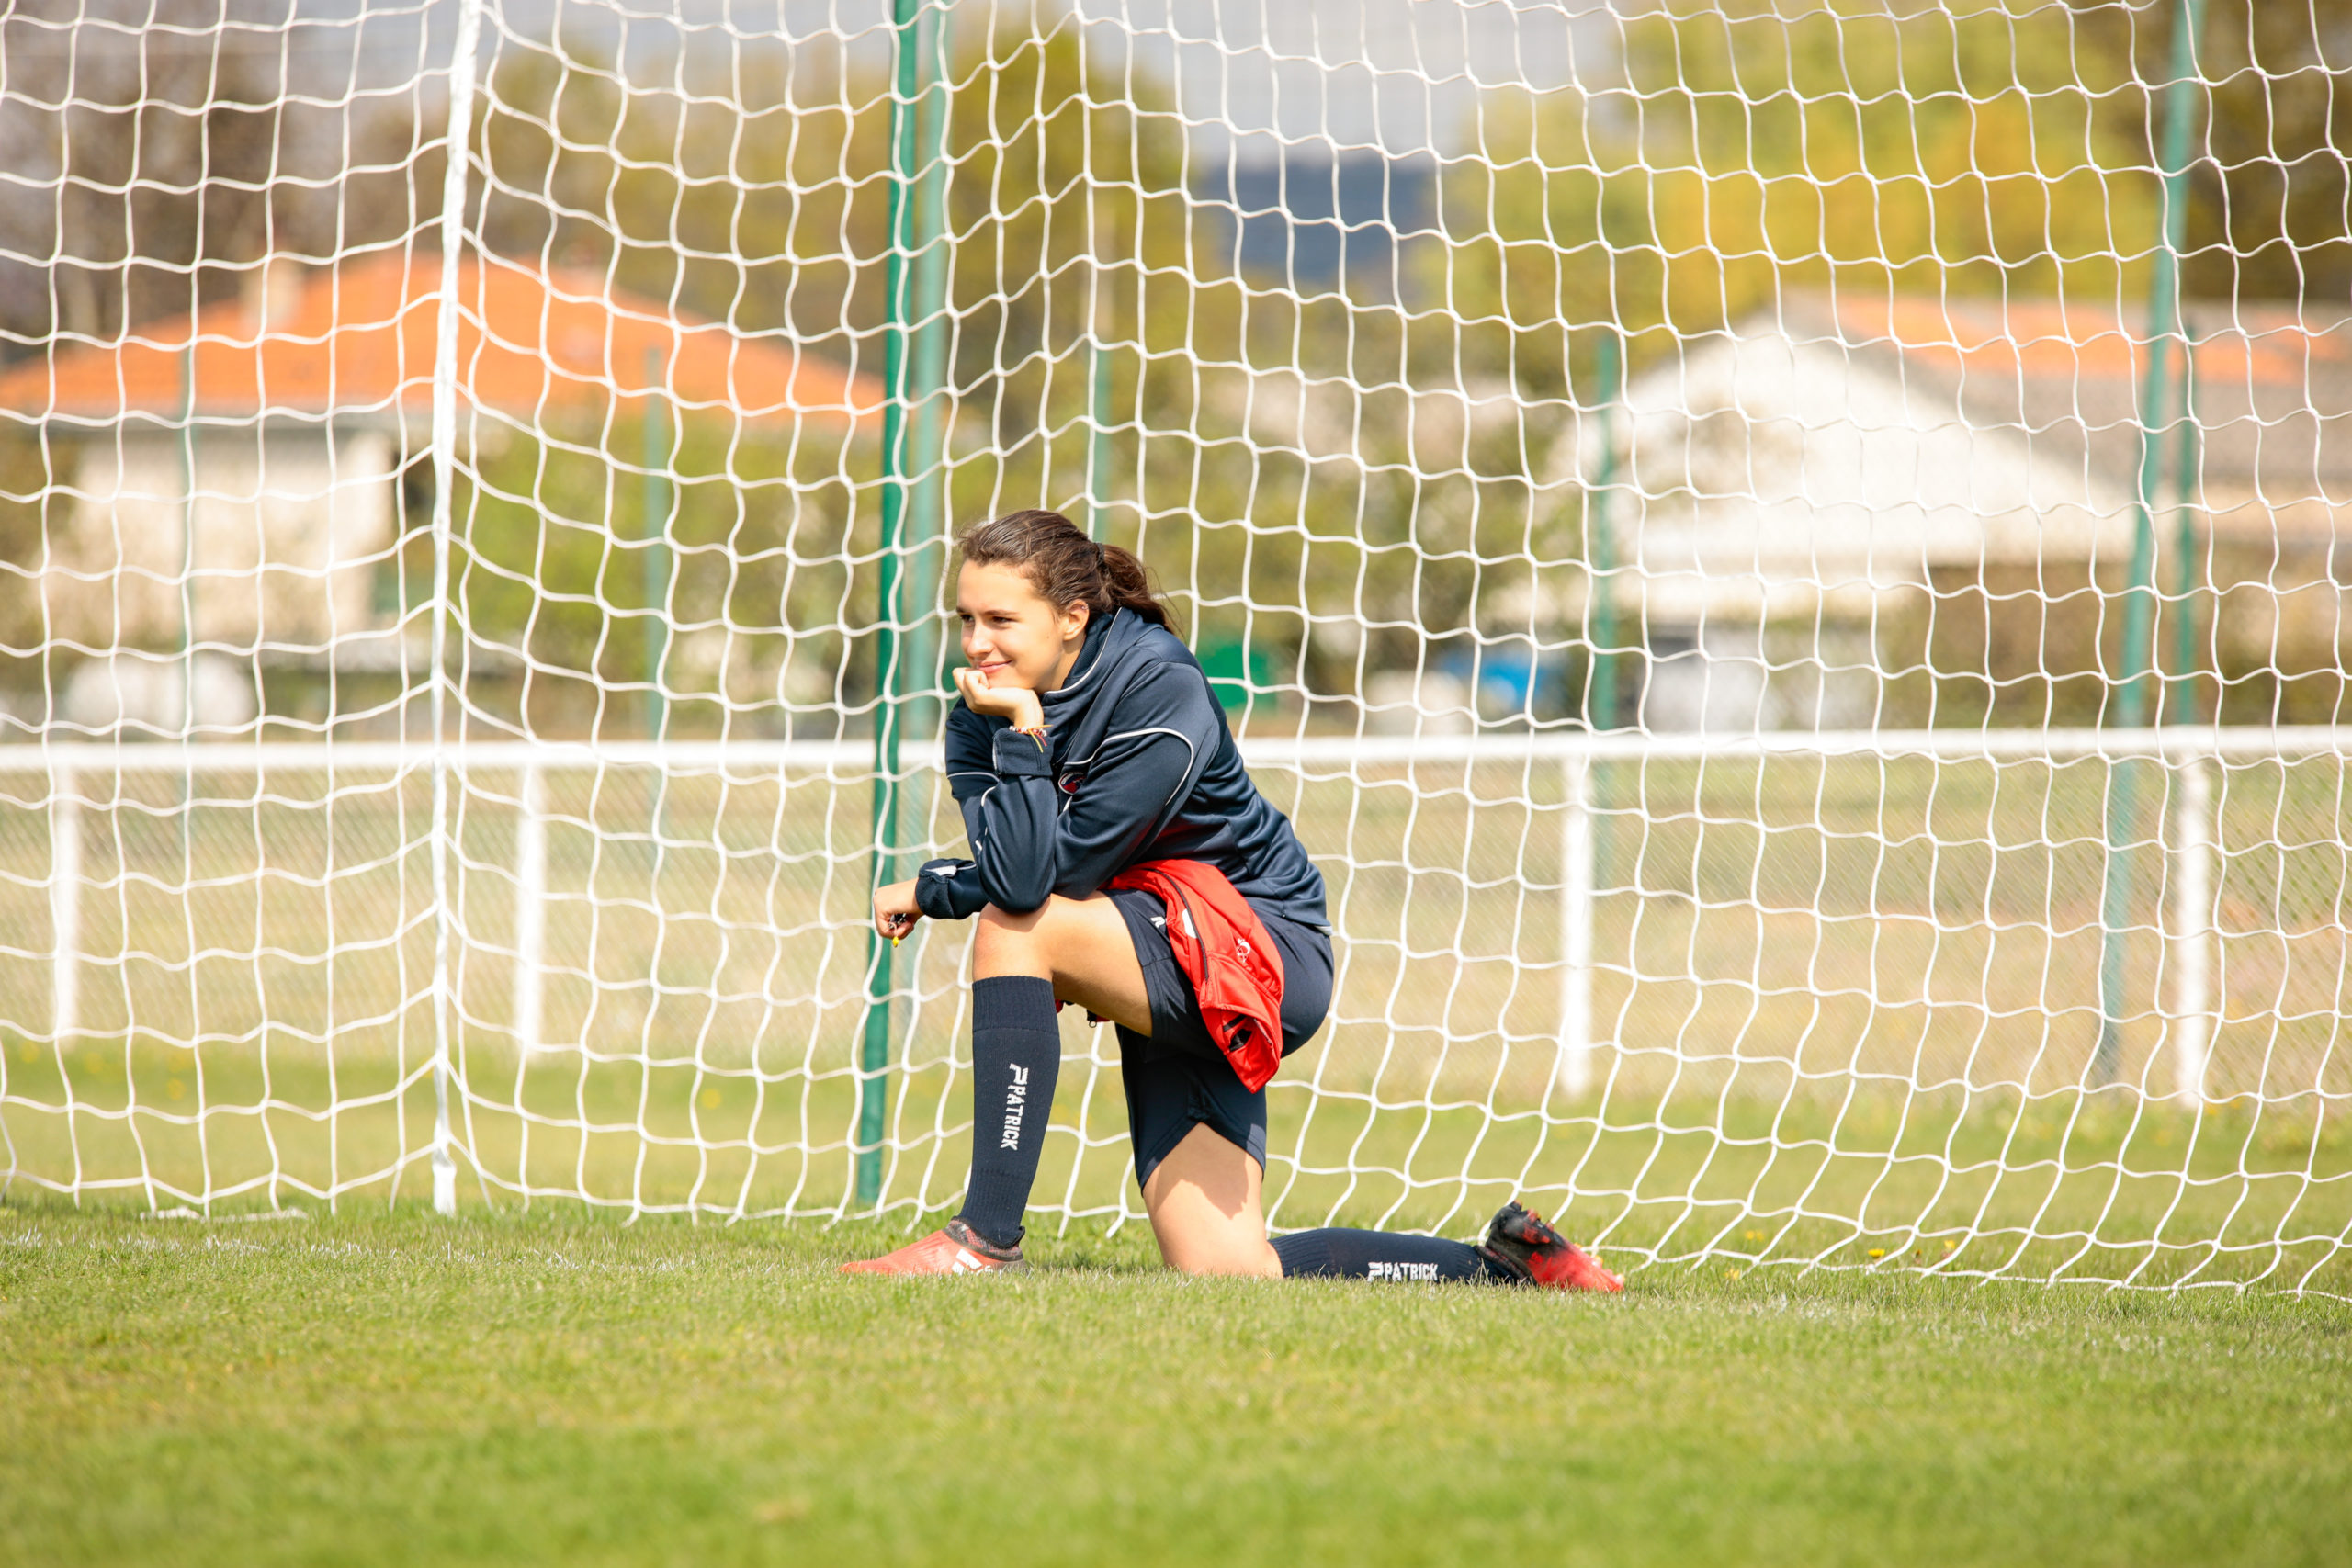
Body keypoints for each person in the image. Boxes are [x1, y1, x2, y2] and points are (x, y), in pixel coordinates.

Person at [842, 509, 1622, 1292]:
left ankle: (984, 1241)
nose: (977, 644)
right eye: (966, 619)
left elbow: (1043, 877)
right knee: (1228, 1269)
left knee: (1017, 929)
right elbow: (1020, 859)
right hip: (1156, 940)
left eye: (1001, 619)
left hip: (1256, 943)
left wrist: (947, 872)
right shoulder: (982, 717)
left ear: (1073, 616)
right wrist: (1011, 739)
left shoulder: (1156, 683)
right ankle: (1507, 1266)